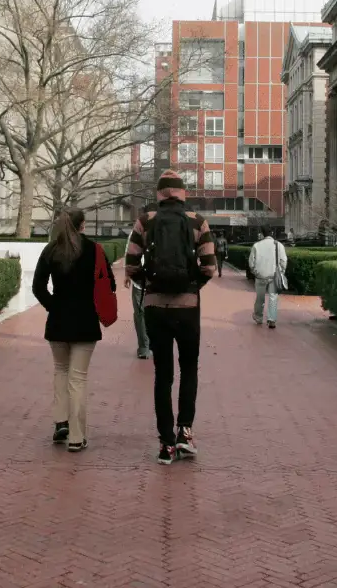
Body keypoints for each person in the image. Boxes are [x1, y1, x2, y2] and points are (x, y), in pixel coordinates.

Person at [125, 170, 217, 465]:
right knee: (189, 369)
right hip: (188, 308)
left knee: (162, 376)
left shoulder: (145, 222)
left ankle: (165, 444)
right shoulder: (197, 222)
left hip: (154, 308)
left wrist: (150, 283)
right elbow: (209, 267)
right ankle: (185, 434)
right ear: (182, 194)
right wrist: (190, 286)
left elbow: (130, 264)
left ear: (160, 194)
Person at [32, 208, 115, 453]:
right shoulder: (95, 250)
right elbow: (108, 282)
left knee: (60, 371)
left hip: (58, 320)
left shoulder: (51, 250)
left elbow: (38, 287)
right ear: (82, 225)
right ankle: (77, 437)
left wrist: (54, 306)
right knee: (78, 378)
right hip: (86, 320)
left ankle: (60, 424)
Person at [249, 231, 288, 329]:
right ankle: (272, 320)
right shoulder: (279, 245)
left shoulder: (256, 246)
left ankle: (258, 317)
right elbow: (283, 261)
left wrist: (255, 272)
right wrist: (281, 271)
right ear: (271, 233)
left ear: (262, 234)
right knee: (273, 298)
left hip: (260, 276)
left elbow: (251, 262)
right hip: (274, 276)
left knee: (259, 298)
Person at [124, 226, 151, 359]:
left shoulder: (136, 232)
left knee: (141, 313)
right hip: (146, 281)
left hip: (143, 280)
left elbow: (129, 253)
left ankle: (145, 347)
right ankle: (146, 346)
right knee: (143, 313)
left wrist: (127, 274)